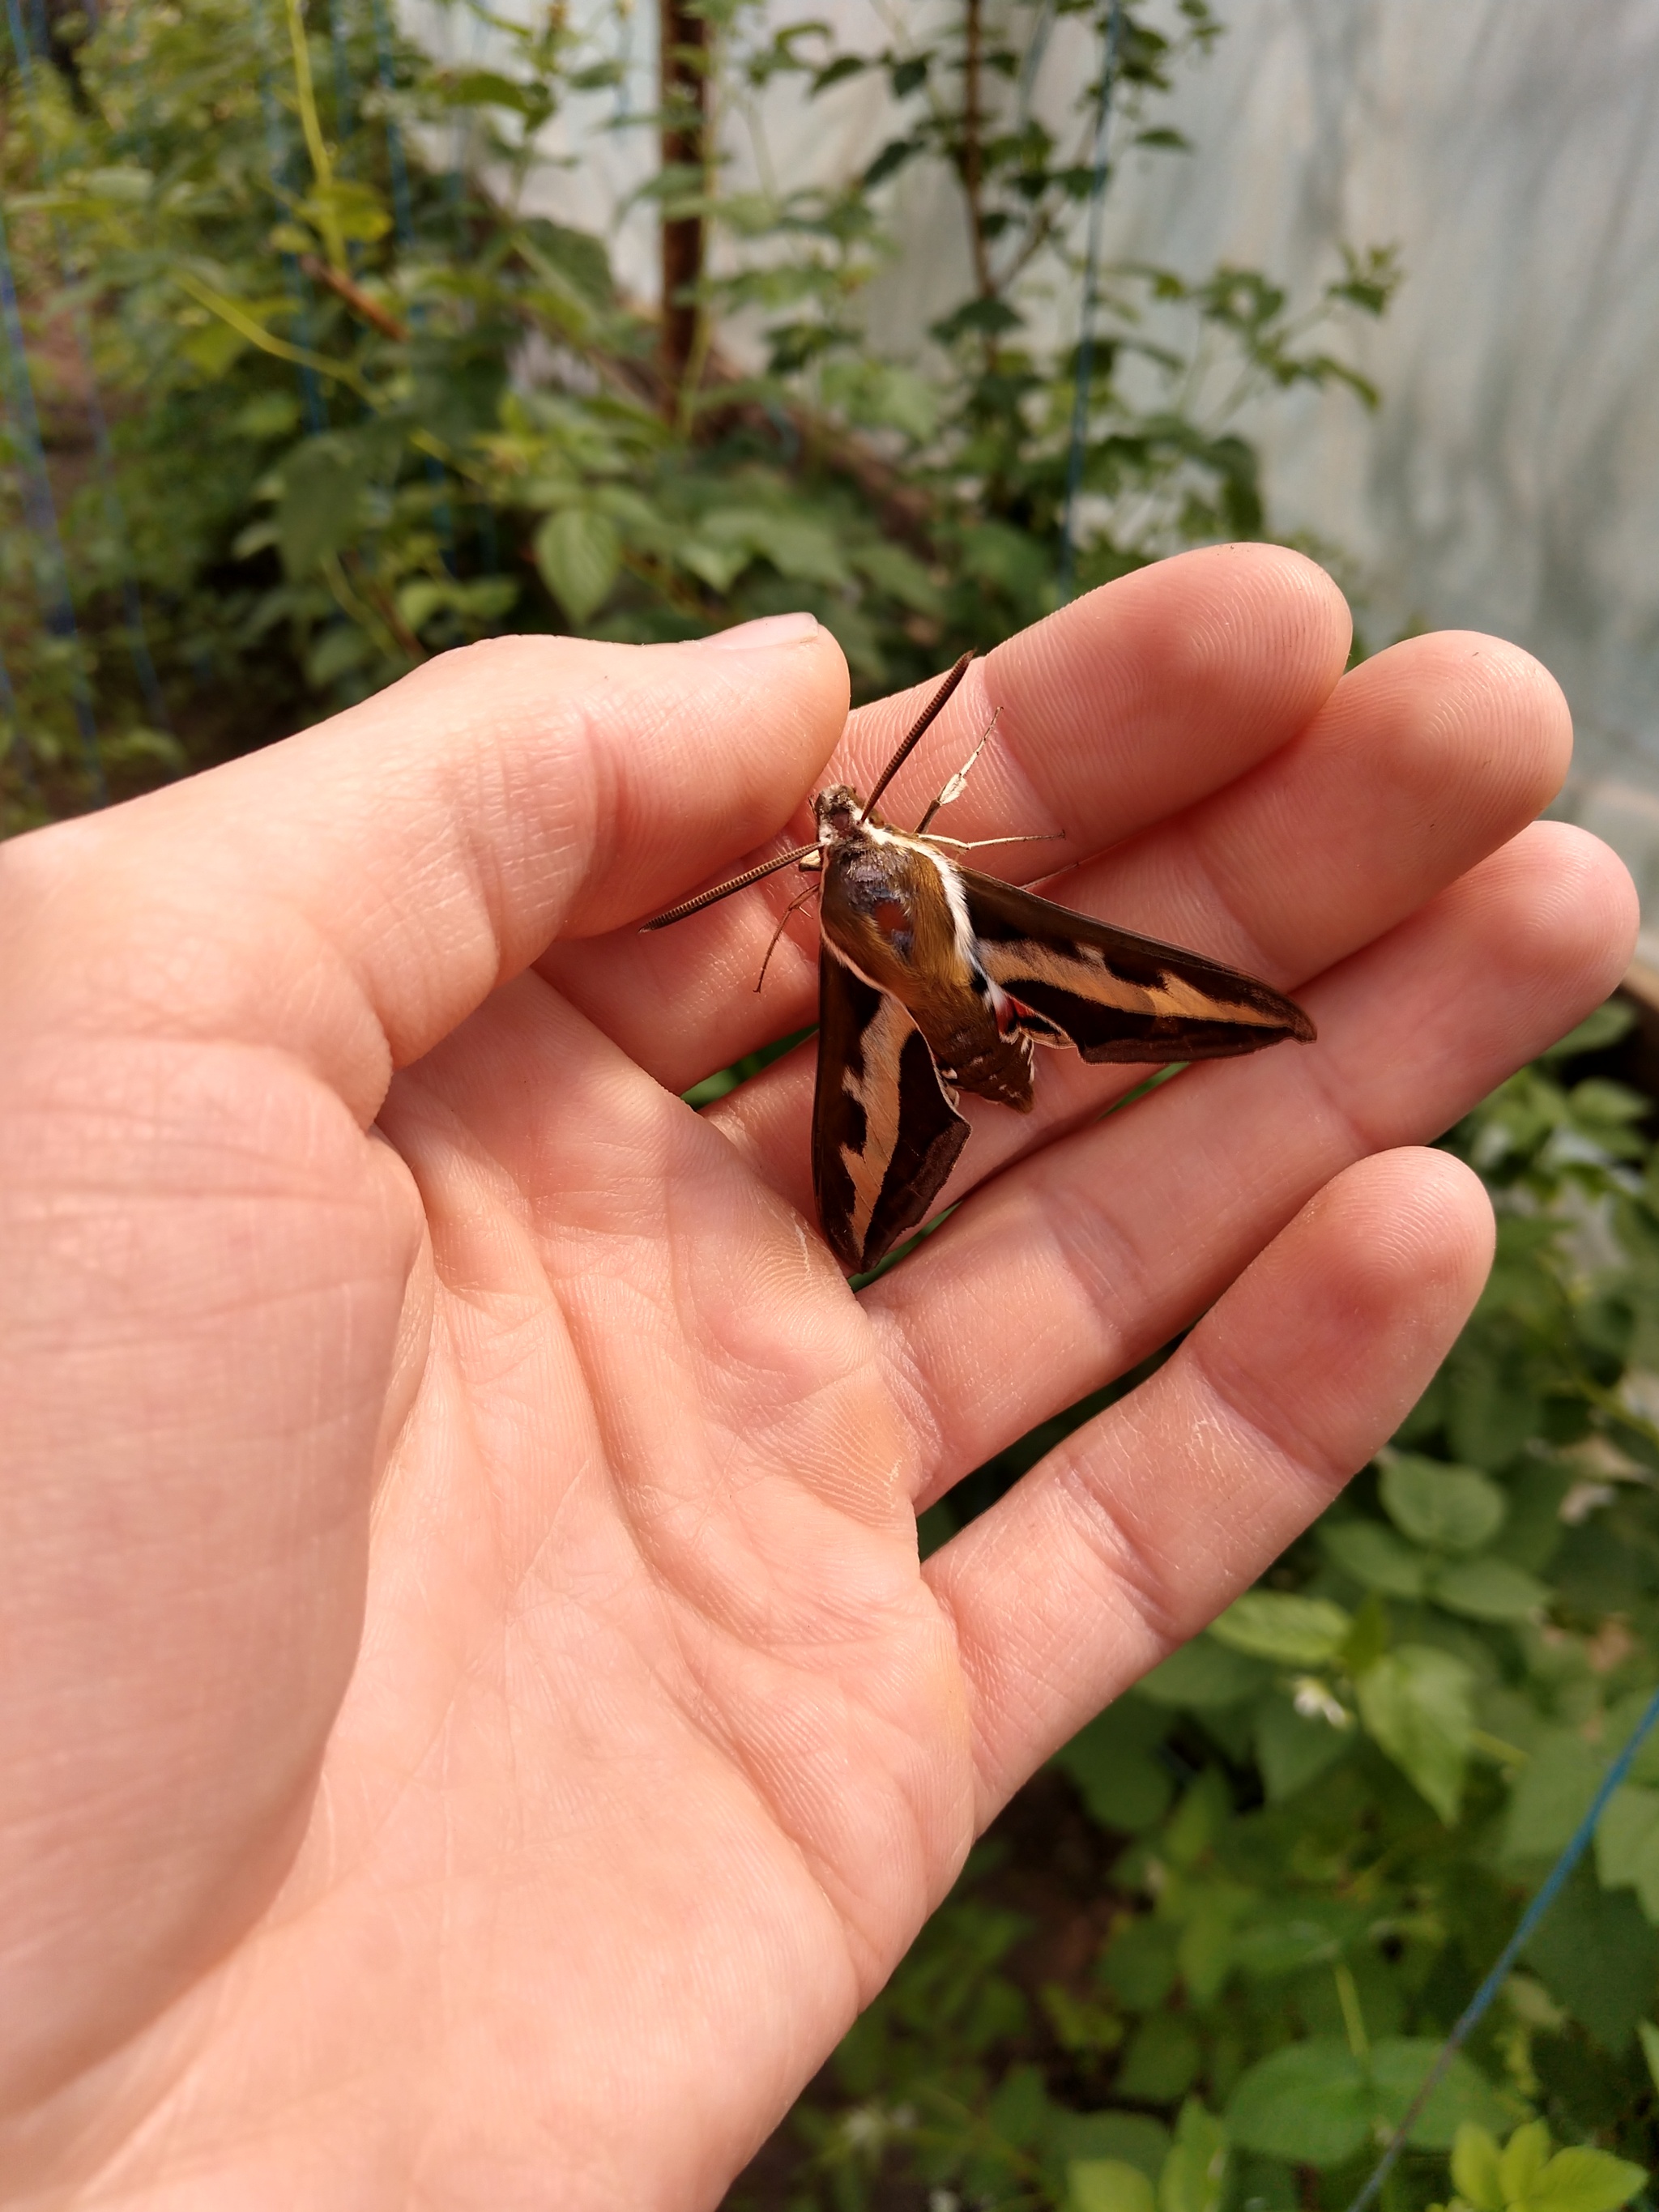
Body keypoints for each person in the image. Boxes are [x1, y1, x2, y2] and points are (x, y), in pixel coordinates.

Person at [0, 546, 1634, 2208]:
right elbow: (959, 842)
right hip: (981, 954)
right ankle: (1035, 1037)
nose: (842, 836)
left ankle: (998, 1061)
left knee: (904, 1115)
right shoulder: (930, 852)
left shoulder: (848, 894)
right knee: (1071, 1011)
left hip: (906, 993)